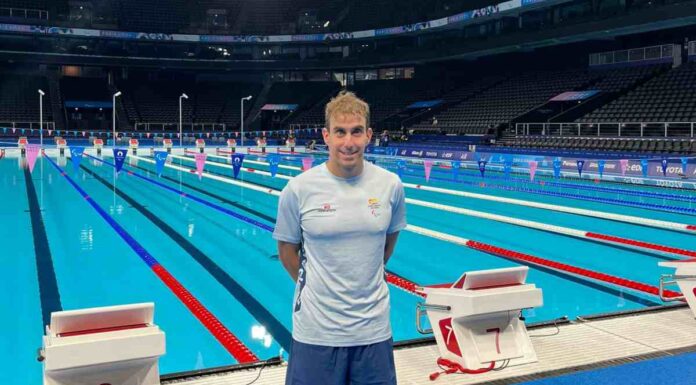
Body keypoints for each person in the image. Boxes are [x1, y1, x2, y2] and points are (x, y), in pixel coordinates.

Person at [273, 91, 407, 385]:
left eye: (356, 131)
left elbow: (388, 243)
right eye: (340, 132)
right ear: (326, 136)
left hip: (373, 330)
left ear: (369, 135)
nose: (349, 142)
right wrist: (319, 288)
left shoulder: (390, 185)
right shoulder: (298, 190)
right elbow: (286, 251)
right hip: (316, 332)